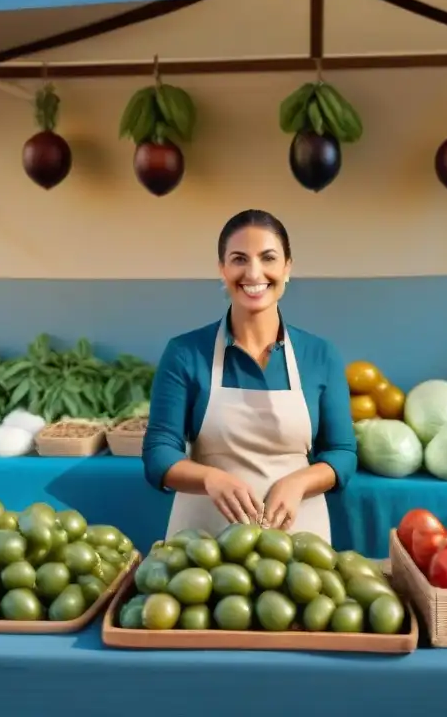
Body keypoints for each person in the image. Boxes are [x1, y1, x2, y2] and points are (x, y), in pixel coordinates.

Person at [142, 209, 357, 543]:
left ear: (288, 267)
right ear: (222, 270)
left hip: (298, 543)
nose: (253, 272)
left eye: (268, 258)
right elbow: (158, 453)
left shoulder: (320, 355)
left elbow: (342, 453)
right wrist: (211, 479)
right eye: (239, 259)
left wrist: (298, 482)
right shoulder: (185, 352)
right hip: (204, 546)